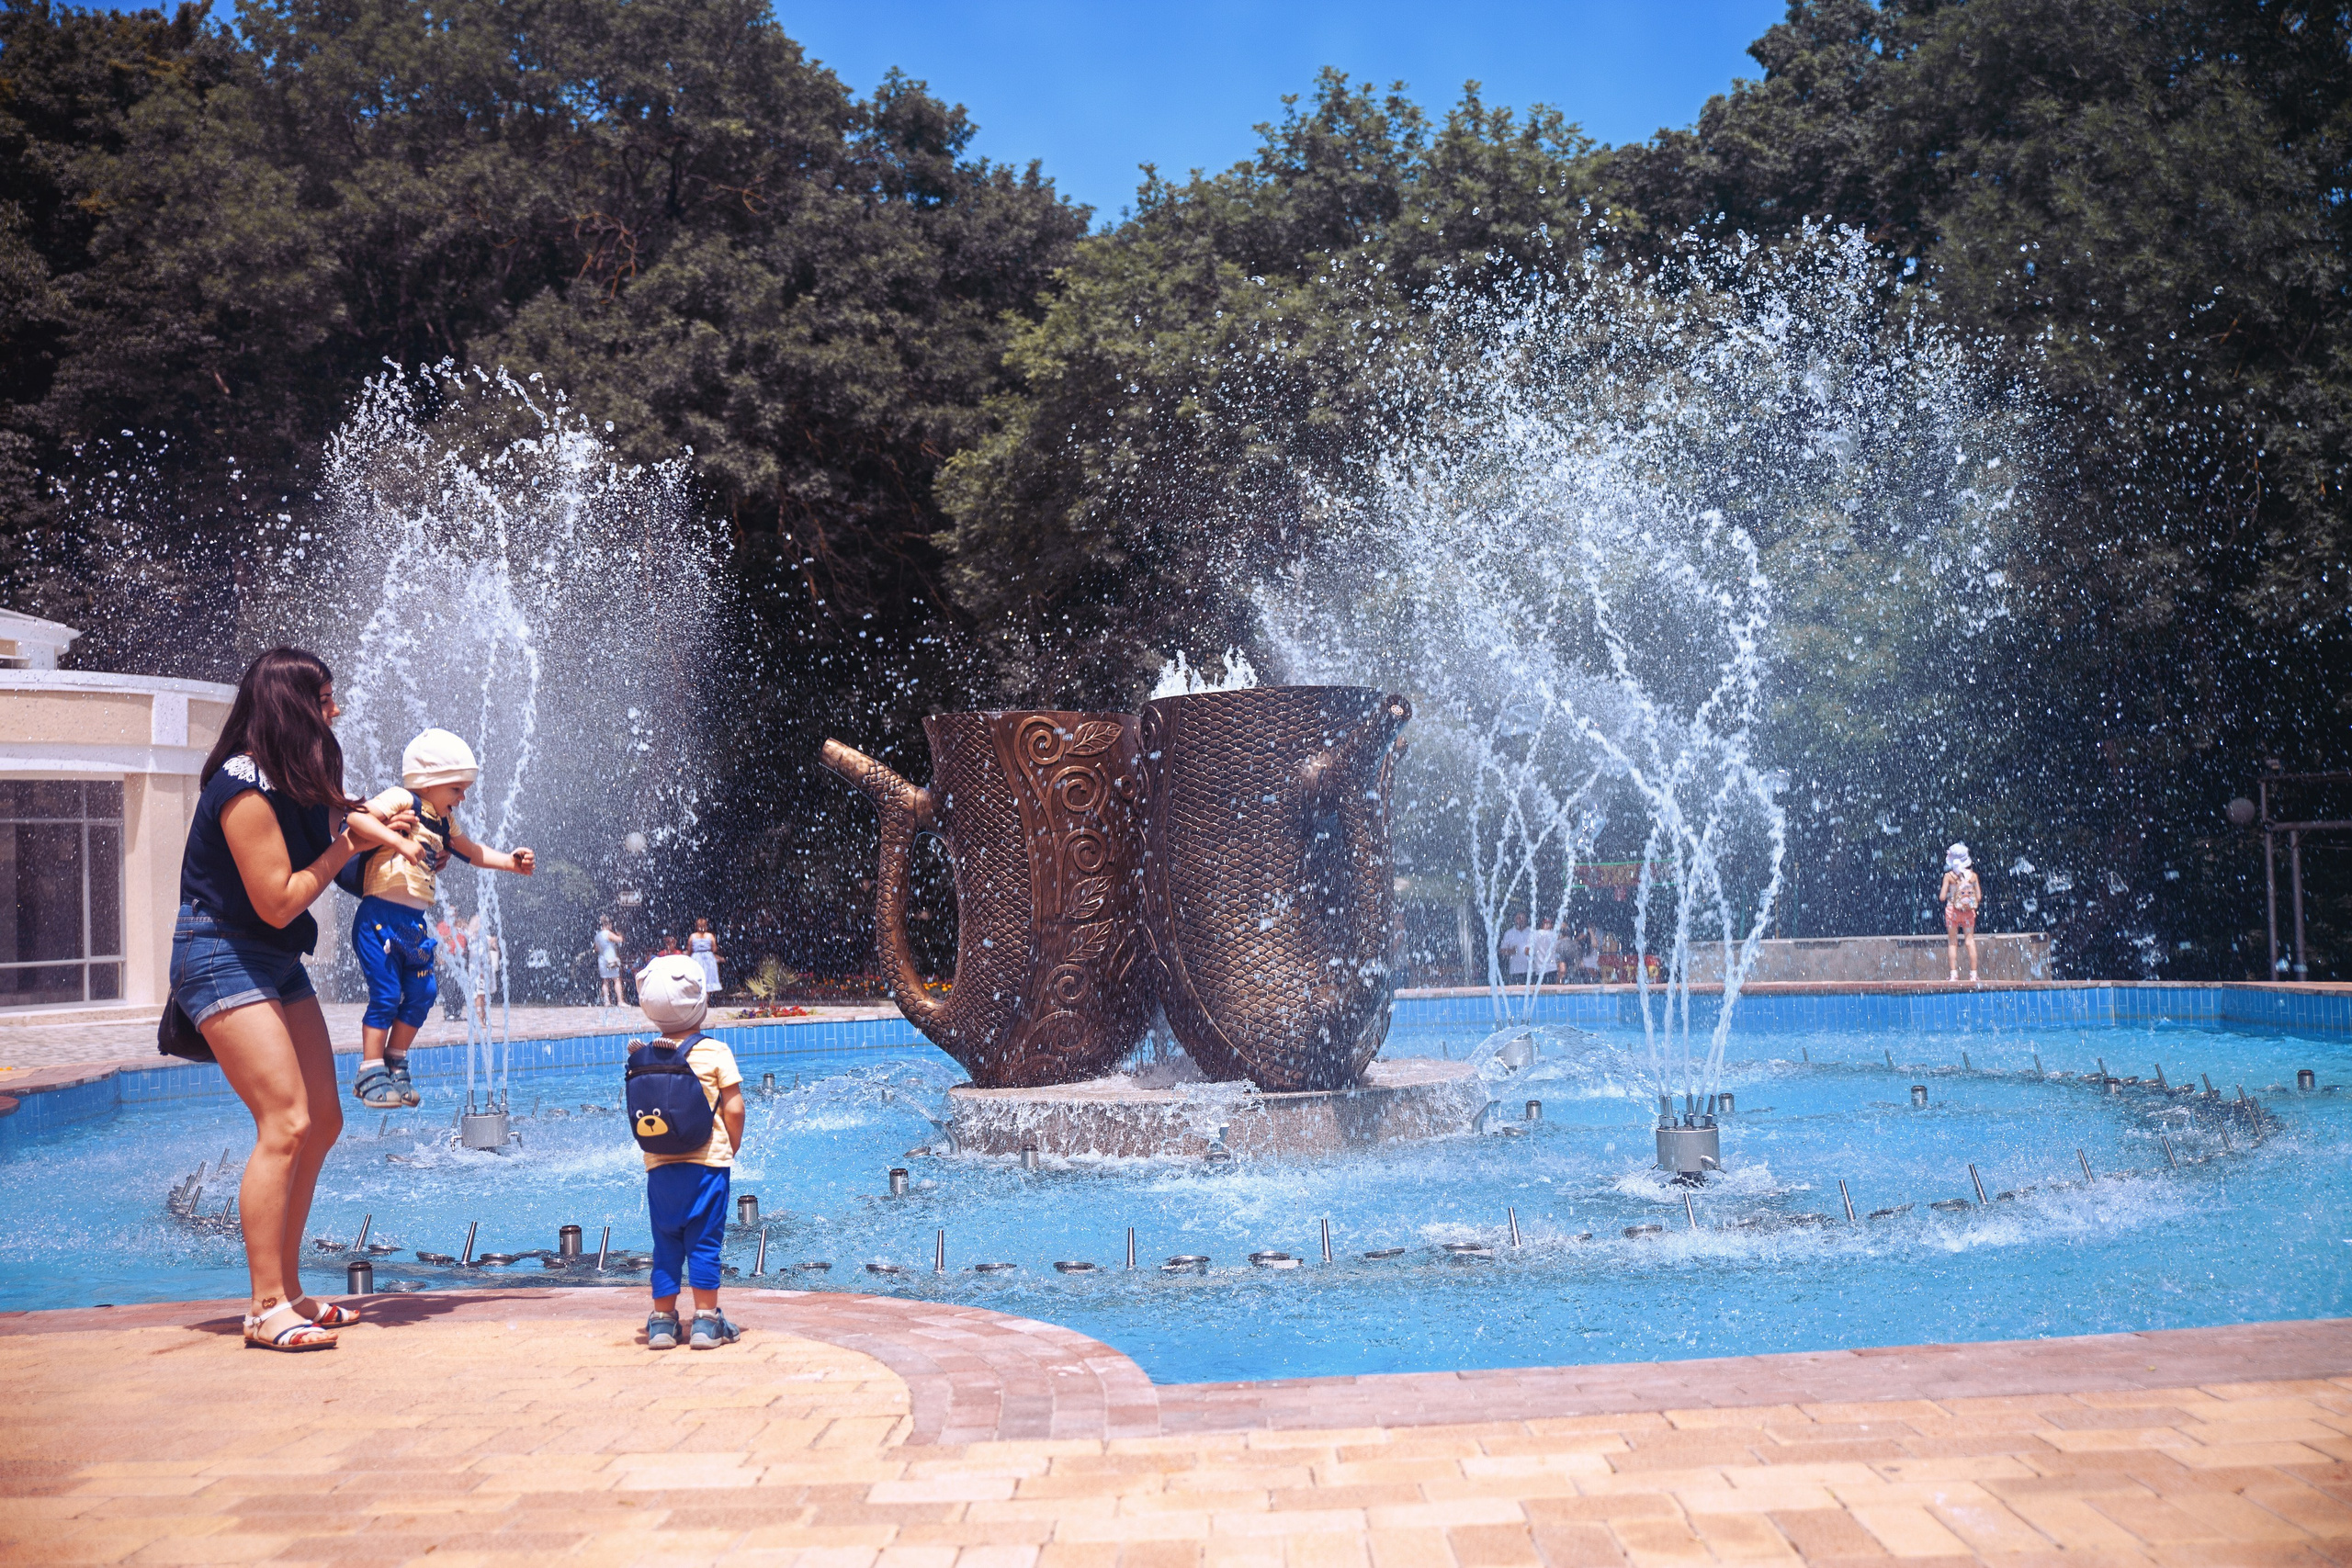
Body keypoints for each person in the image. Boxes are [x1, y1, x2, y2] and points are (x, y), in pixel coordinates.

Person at [170, 647, 420, 1351]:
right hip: (219, 953)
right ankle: (264, 1306)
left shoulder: (300, 776)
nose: (336, 710)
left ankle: (290, 1287)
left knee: (325, 1118)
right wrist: (347, 843)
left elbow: (336, 872)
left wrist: (394, 847)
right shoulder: (241, 787)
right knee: (285, 1119)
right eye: (326, 698)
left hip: (273, 959)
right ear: (292, 705)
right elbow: (279, 900)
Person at [345, 729, 535, 1109]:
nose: (462, 798)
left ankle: (395, 1061)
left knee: (423, 993)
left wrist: (511, 864)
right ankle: (369, 1070)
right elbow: (357, 820)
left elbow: (473, 852)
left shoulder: (444, 823)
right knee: (385, 993)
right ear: (429, 782)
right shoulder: (403, 799)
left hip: (414, 924)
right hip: (379, 917)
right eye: (457, 789)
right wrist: (399, 842)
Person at [631, 953, 745, 1351]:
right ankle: (705, 1322)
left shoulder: (643, 1056)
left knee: (665, 1245)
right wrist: (731, 1144)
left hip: (660, 1169)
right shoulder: (715, 1052)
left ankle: (662, 1324)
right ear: (700, 1002)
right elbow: (734, 1106)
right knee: (703, 1243)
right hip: (707, 1167)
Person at [1941, 842, 1984, 984]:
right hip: (1968, 913)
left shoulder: (1949, 876)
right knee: (1970, 941)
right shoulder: (1973, 876)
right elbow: (1978, 898)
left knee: (1953, 942)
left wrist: (1950, 895)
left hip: (1952, 911)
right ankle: (1973, 975)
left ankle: (1954, 975)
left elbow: (1942, 897)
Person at [594, 916, 627, 1008]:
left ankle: (606, 1001)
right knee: (616, 980)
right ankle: (620, 1001)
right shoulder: (608, 933)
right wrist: (620, 934)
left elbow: (596, 948)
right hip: (611, 959)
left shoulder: (597, 935)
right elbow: (620, 940)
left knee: (605, 981)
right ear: (608, 924)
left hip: (601, 959)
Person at [688, 918, 723, 995]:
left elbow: (689, 950)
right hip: (708, 957)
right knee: (708, 978)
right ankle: (707, 999)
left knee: (697, 977)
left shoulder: (692, 936)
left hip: (696, 957)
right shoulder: (710, 936)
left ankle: (699, 998)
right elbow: (714, 949)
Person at [1498, 911, 1533, 985]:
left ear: (1526, 920)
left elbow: (1539, 949)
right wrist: (1511, 951)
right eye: (1518, 918)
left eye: (1522, 918)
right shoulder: (1509, 933)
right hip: (1515, 970)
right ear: (1515, 920)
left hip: (1530, 970)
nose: (1520, 920)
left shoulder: (1532, 932)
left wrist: (1532, 951)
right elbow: (1502, 951)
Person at [1530, 918, 1560, 987]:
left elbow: (1527, 951)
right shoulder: (1555, 935)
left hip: (1539, 968)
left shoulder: (1534, 934)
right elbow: (1558, 949)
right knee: (1551, 991)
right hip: (1552, 968)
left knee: (1539, 991)